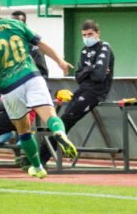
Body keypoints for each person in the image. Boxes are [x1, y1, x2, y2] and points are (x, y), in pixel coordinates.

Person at [0, 0, 75, 179]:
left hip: (10, 86)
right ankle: (59, 133)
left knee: (23, 129)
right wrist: (60, 61)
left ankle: (37, 167)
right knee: (50, 116)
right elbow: (42, 43)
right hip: (31, 75)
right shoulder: (17, 25)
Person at [39, 20, 114, 166]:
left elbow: (99, 77)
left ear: (98, 33)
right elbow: (78, 77)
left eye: (90, 34)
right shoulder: (84, 50)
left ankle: (41, 157)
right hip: (83, 89)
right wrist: (92, 68)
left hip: (96, 93)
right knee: (63, 120)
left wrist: (88, 71)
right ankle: (42, 155)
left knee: (67, 119)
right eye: (84, 35)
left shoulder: (105, 47)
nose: (87, 37)